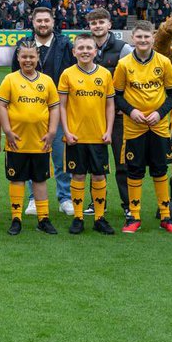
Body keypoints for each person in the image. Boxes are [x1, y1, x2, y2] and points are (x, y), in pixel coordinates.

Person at [113, 21, 172, 234]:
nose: (143, 40)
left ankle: (166, 216)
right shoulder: (124, 64)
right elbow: (116, 95)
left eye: (147, 37)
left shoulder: (164, 62)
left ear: (153, 38)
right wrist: (131, 111)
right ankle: (134, 216)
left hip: (158, 128)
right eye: (139, 37)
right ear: (133, 39)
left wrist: (159, 113)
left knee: (160, 170)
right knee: (134, 170)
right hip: (134, 128)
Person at [11, 6, 74, 215]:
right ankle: (33, 199)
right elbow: (14, 75)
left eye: (46, 20)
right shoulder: (23, 45)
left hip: (58, 111)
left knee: (60, 157)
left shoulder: (65, 45)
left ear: (53, 22)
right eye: (39, 21)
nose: (43, 24)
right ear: (33, 22)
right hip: (31, 112)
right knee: (32, 156)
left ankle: (65, 197)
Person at [0, 43, 60, 235]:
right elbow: (1, 106)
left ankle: (43, 219)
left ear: (37, 57)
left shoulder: (47, 81)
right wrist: (7, 130)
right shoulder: (10, 79)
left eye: (31, 56)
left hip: (41, 142)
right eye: (24, 56)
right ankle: (16, 218)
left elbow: (54, 107)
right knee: (17, 180)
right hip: (16, 142)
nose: (28, 60)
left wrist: (52, 131)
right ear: (18, 57)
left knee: (40, 180)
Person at [57, 34, 116, 235]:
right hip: (76, 137)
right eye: (80, 48)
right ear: (74, 52)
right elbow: (62, 106)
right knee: (78, 175)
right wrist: (66, 131)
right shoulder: (67, 74)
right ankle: (78, 217)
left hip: (98, 136)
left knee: (99, 175)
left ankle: (99, 218)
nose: (85, 51)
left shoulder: (105, 74)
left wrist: (108, 130)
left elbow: (110, 105)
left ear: (95, 51)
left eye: (88, 48)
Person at [88, 7, 133, 219]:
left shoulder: (123, 49)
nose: (97, 26)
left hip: (118, 116)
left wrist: (126, 107)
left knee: (122, 162)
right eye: (93, 23)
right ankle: (98, 203)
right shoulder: (85, 47)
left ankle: (129, 204)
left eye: (101, 22)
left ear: (109, 25)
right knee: (95, 163)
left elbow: (133, 80)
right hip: (92, 115)